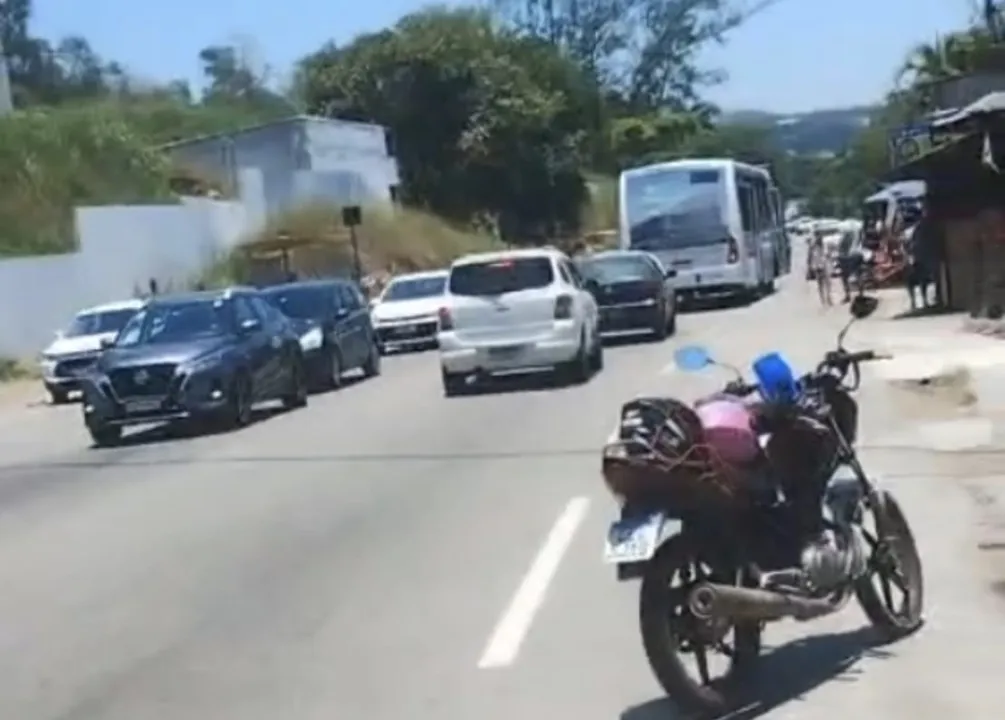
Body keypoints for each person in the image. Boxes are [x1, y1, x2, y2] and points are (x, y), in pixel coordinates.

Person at [808, 233, 832, 306]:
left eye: (820, 238)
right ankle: (823, 300)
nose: (819, 239)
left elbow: (828, 255)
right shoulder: (812, 247)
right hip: (818, 267)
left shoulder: (825, 246)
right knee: (820, 284)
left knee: (828, 283)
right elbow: (809, 258)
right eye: (818, 238)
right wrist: (810, 268)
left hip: (824, 266)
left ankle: (828, 298)